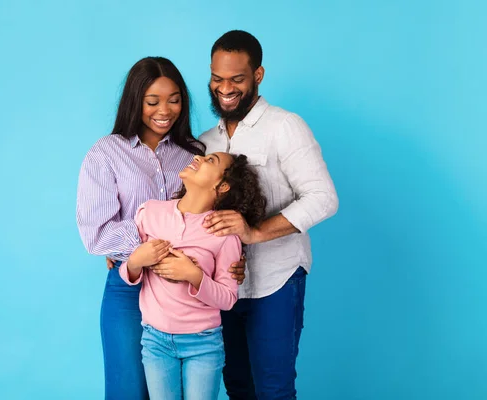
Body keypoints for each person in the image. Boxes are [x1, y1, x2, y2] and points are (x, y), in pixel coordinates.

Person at [76, 57, 245, 399]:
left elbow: (215, 211)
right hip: (130, 285)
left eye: (175, 99)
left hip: (189, 296)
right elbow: (96, 233)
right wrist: (136, 251)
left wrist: (234, 259)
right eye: (152, 102)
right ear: (135, 101)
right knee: (128, 390)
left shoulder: (194, 153)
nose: (164, 110)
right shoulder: (106, 154)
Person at [199, 30, 339, 400]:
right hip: (223, 288)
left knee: (274, 390)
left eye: (236, 79)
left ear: (258, 75)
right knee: (238, 388)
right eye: (217, 78)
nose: (224, 88)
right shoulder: (204, 142)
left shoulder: (285, 127)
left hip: (276, 282)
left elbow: (323, 198)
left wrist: (255, 233)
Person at [119, 152, 266, 400]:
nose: (199, 157)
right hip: (155, 341)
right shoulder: (150, 212)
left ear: (223, 186)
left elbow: (228, 298)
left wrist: (194, 275)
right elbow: (129, 273)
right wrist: (135, 261)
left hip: (204, 345)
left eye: (211, 161)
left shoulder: (225, 234)